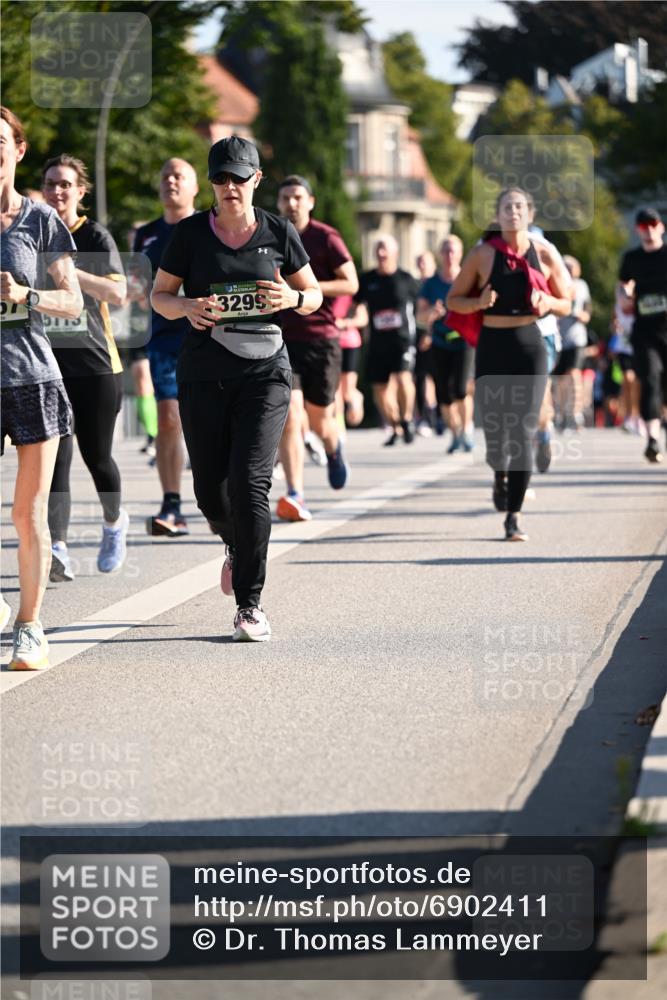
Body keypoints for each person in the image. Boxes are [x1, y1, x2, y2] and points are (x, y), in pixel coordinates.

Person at [151, 135, 322, 641]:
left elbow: (313, 293)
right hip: (204, 371)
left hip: (265, 372)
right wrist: (186, 307)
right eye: (221, 178)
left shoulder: (278, 231)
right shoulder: (190, 234)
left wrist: (292, 298)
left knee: (251, 484)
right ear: (212, 183)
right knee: (210, 490)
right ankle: (234, 541)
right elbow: (160, 296)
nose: (230, 187)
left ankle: (250, 604)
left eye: (239, 178)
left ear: (256, 179)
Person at [0, 106, 83, 669]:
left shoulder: (40, 220)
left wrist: (24, 295)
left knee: (26, 513)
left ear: (18, 150)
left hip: (31, 377)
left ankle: (30, 627)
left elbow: (73, 302)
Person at [446, 187, 570, 541]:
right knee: (496, 434)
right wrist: (479, 302)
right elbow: (453, 300)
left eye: (518, 207)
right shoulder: (483, 255)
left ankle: (513, 516)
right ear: (497, 215)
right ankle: (499, 473)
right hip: (493, 346)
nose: (513, 212)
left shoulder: (544, 253)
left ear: (529, 214)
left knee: (522, 430)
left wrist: (548, 301)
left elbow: (567, 301)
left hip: (530, 346)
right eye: (506, 207)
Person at [40, 154, 129, 581]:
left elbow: (118, 294)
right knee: (56, 458)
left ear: (80, 191)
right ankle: (57, 548)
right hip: (47, 365)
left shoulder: (93, 235)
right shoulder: (31, 231)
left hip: (96, 365)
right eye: (51, 183)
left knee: (98, 457)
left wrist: (68, 271)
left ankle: (113, 522)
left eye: (65, 184)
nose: (57, 191)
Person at [275, 175, 357, 522]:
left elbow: (351, 282)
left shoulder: (326, 237)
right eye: (285, 198)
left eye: (297, 197)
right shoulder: (271, 236)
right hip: (283, 339)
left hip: (321, 339)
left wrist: (306, 288)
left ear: (311, 202)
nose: (291, 204)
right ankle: (296, 493)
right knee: (290, 415)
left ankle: (333, 447)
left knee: (321, 420)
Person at [133, 159, 199, 535]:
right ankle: (172, 504)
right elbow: (139, 288)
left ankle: (223, 497)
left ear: (195, 187)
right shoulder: (146, 235)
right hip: (163, 339)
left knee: (209, 421)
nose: (171, 181)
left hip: (208, 337)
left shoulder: (209, 226)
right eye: (165, 176)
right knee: (169, 418)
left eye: (179, 176)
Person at [355, 234, 419, 445]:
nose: (381, 253)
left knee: (403, 378)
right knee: (379, 390)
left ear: (395, 253)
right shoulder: (367, 280)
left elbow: (420, 309)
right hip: (377, 342)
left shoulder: (406, 279)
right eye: (378, 249)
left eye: (385, 249)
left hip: (402, 340)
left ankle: (407, 419)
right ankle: (396, 426)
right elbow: (356, 305)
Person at [417, 236, 474, 453]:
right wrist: (431, 313)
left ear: (460, 254)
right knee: (443, 394)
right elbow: (419, 315)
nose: (449, 255)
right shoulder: (431, 284)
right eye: (446, 251)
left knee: (461, 389)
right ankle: (455, 433)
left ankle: (466, 430)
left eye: (453, 251)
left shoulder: (469, 279)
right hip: (440, 342)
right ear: (440, 254)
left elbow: (479, 307)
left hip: (464, 341)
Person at [618, 207, 667, 463]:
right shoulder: (632, 258)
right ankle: (652, 440)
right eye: (642, 226)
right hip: (645, 331)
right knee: (649, 379)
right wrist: (624, 298)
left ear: (661, 227)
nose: (648, 230)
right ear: (638, 230)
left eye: (652, 224)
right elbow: (623, 285)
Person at [553, 255, 591, 432]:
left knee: (574, 373)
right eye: (565, 267)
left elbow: (587, 308)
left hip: (577, 338)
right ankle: (561, 413)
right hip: (560, 338)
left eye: (571, 267)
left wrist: (584, 316)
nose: (569, 270)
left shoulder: (582, 285)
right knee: (560, 379)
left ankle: (576, 413)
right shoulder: (557, 281)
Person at [333, 293, 365, 427]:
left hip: (350, 344)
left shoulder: (352, 296)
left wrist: (344, 323)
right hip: (331, 344)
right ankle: (340, 427)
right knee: (335, 390)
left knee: (347, 391)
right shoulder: (324, 294)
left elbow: (363, 319)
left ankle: (357, 397)